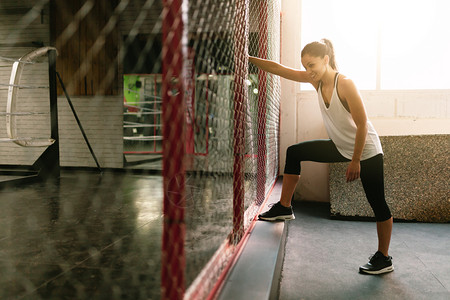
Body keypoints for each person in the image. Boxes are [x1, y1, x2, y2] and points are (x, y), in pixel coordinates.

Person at [249, 39, 394, 275]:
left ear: (326, 59)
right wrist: (247, 58)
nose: (308, 71)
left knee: (377, 203)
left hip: (366, 151)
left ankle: (384, 258)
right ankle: (285, 207)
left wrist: (356, 160)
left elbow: (362, 125)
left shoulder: (345, 84)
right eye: (305, 66)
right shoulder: (314, 80)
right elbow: (279, 69)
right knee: (295, 152)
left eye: (312, 65)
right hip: (339, 146)